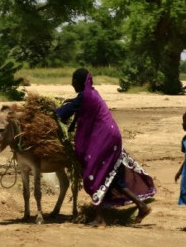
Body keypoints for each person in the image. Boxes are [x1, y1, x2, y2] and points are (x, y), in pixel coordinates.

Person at [56, 68, 156, 226]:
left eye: (73, 81)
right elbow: (77, 103)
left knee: (94, 174)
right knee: (114, 177)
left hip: (105, 139)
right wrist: (72, 101)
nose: (71, 83)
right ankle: (142, 206)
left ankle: (99, 218)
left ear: (79, 82)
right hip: (111, 136)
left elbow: (63, 113)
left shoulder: (85, 97)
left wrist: (52, 112)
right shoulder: (91, 93)